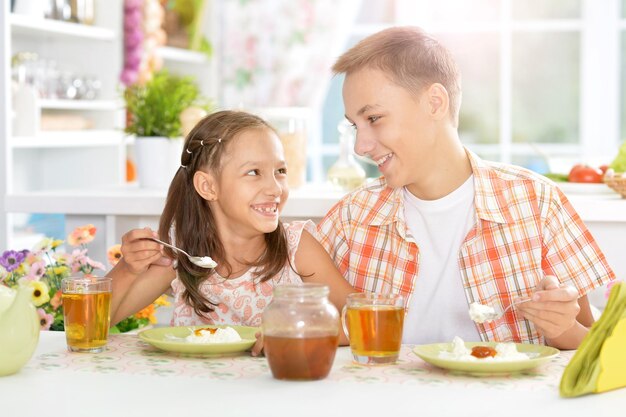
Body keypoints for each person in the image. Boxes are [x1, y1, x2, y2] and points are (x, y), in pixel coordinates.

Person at [316, 26, 615, 349]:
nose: (361, 146)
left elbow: (594, 346)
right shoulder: (351, 218)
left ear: (435, 103)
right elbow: (302, 319)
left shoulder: (537, 203)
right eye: (354, 126)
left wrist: (562, 327)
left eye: (373, 119)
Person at [107, 110, 355, 355]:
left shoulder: (297, 247)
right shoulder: (181, 254)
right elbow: (96, 323)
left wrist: (302, 334)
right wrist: (128, 269)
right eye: (253, 172)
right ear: (208, 186)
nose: (274, 188)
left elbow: (364, 317)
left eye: (280, 171)